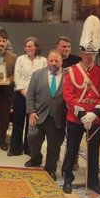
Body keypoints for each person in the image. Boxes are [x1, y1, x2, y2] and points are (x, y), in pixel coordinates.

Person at [61, 16, 100, 196]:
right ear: (81, 53)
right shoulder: (72, 71)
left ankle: (93, 181)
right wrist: (82, 113)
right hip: (75, 117)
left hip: (95, 119)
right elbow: (68, 94)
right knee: (72, 149)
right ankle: (67, 178)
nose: (90, 57)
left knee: (94, 152)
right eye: (87, 54)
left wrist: (95, 114)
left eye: (93, 54)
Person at [25, 50, 66, 181]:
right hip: (38, 115)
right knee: (32, 137)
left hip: (58, 117)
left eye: (56, 61)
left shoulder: (68, 76)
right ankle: (35, 159)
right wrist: (31, 111)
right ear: (47, 61)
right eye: (51, 60)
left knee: (54, 145)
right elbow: (30, 95)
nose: (53, 63)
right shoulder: (37, 75)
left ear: (61, 62)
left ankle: (50, 168)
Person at [10, 37, 47, 156]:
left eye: (30, 46)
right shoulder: (20, 59)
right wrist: (23, 91)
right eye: (26, 46)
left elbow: (44, 77)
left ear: (36, 47)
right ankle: (15, 149)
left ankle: (29, 148)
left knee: (31, 123)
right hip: (21, 94)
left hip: (37, 96)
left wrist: (33, 94)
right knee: (17, 122)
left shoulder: (43, 61)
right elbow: (17, 77)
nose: (28, 48)